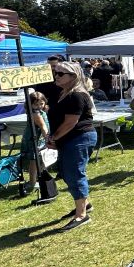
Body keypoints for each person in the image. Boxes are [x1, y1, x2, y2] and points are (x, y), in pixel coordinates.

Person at [46, 61, 97, 231]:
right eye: (56, 72)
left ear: (73, 77)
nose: (56, 76)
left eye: (61, 73)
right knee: (68, 174)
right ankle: (85, 204)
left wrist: (54, 138)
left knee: (75, 174)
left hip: (79, 137)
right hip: (72, 139)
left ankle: (81, 215)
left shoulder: (76, 95)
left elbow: (71, 122)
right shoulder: (65, 93)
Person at [21, 91, 50, 192]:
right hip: (34, 139)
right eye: (35, 104)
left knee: (41, 158)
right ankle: (32, 181)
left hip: (39, 138)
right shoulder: (35, 113)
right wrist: (47, 138)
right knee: (34, 160)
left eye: (41, 104)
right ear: (30, 104)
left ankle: (39, 175)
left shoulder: (40, 111)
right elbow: (42, 126)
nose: (39, 106)